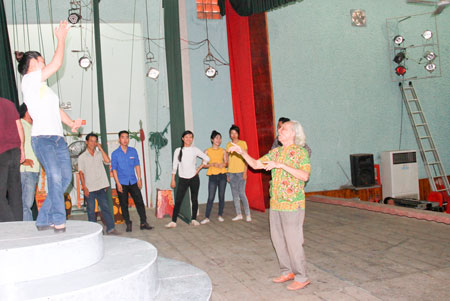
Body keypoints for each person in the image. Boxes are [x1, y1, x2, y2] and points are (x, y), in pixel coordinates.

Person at [228, 120, 311, 291]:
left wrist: (281, 165)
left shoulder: (301, 152)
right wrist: (242, 152)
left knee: (293, 241)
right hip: (276, 203)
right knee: (278, 240)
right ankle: (287, 271)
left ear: (294, 133)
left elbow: (304, 176)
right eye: (280, 129)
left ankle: (302, 276)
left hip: (292, 204)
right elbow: (256, 164)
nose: (279, 131)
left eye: (284, 129)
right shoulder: (276, 152)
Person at [16, 21, 83, 232]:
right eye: (42, 61)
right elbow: (56, 64)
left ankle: (43, 218)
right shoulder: (28, 81)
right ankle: (58, 219)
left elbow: (56, 110)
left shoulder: (45, 88)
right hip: (42, 139)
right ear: (32, 63)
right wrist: (61, 39)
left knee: (65, 178)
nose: (45, 64)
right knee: (54, 175)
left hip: (58, 139)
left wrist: (71, 122)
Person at [166, 130, 210, 228]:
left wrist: (199, 168)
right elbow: (175, 166)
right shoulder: (178, 150)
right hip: (183, 179)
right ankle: (173, 221)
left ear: (192, 139)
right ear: (183, 139)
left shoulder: (195, 149)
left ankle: (194, 219)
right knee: (178, 200)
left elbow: (207, 158)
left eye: (190, 137)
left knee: (194, 199)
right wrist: (172, 179)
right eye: (186, 137)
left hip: (194, 178)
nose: (188, 139)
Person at [111, 130, 153, 232]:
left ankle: (143, 222)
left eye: (127, 137)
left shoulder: (133, 151)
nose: (125, 140)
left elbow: (137, 165)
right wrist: (117, 183)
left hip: (133, 181)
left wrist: (139, 178)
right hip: (122, 183)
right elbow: (114, 169)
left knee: (139, 202)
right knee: (124, 204)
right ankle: (128, 223)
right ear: (119, 139)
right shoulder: (115, 154)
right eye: (123, 137)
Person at [78, 133, 119, 235]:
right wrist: (84, 187)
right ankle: (94, 232)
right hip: (90, 188)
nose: (93, 143)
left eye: (95, 141)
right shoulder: (82, 157)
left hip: (101, 186)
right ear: (87, 142)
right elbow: (81, 173)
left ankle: (111, 228)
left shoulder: (99, 154)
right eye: (91, 141)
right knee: (91, 211)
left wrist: (100, 148)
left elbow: (107, 161)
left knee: (105, 208)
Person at [0, 97, 25, 222]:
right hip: (15, 151)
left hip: (1, 153)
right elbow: (20, 127)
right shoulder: (9, 104)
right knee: (15, 191)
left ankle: (9, 223)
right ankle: (18, 224)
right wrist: (22, 150)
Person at [18, 103, 40, 221]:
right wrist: (21, 160)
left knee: (28, 204)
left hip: (33, 171)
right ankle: (27, 231)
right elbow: (14, 144)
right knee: (26, 204)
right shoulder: (21, 124)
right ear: (27, 112)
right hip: (26, 171)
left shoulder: (32, 127)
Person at [200, 130, 228, 225]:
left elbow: (226, 163)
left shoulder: (223, 151)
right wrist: (212, 164)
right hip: (212, 176)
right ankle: (207, 217)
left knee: (221, 196)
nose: (218, 140)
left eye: (220, 138)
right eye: (216, 138)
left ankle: (220, 215)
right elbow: (203, 165)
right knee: (211, 197)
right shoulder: (207, 151)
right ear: (212, 139)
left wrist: (222, 165)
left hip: (222, 175)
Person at [226, 125, 251, 222]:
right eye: (232, 133)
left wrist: (245, 172)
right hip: (231, 172)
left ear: (238, 134)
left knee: (241, 193)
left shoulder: (243, 143)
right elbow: (229, 160)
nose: (233, 135)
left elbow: (246, 158)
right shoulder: (228, 145)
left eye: (235, 133)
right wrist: (227, 174)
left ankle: (248, 214)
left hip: (241, 172)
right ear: (230, 134)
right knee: (234, 194)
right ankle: (239, 214)